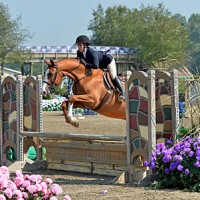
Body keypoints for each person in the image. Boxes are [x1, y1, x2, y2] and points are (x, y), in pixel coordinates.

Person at [75, 35, 125, 101]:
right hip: (99, 64)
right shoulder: (79, 53)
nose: (78, 47)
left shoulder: (91, 52)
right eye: (78, 45)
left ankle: (122, 93)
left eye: (80, 45)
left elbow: (96, 66)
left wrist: (85, 64)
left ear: (85, 45)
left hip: (108, 62)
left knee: (113, 76)